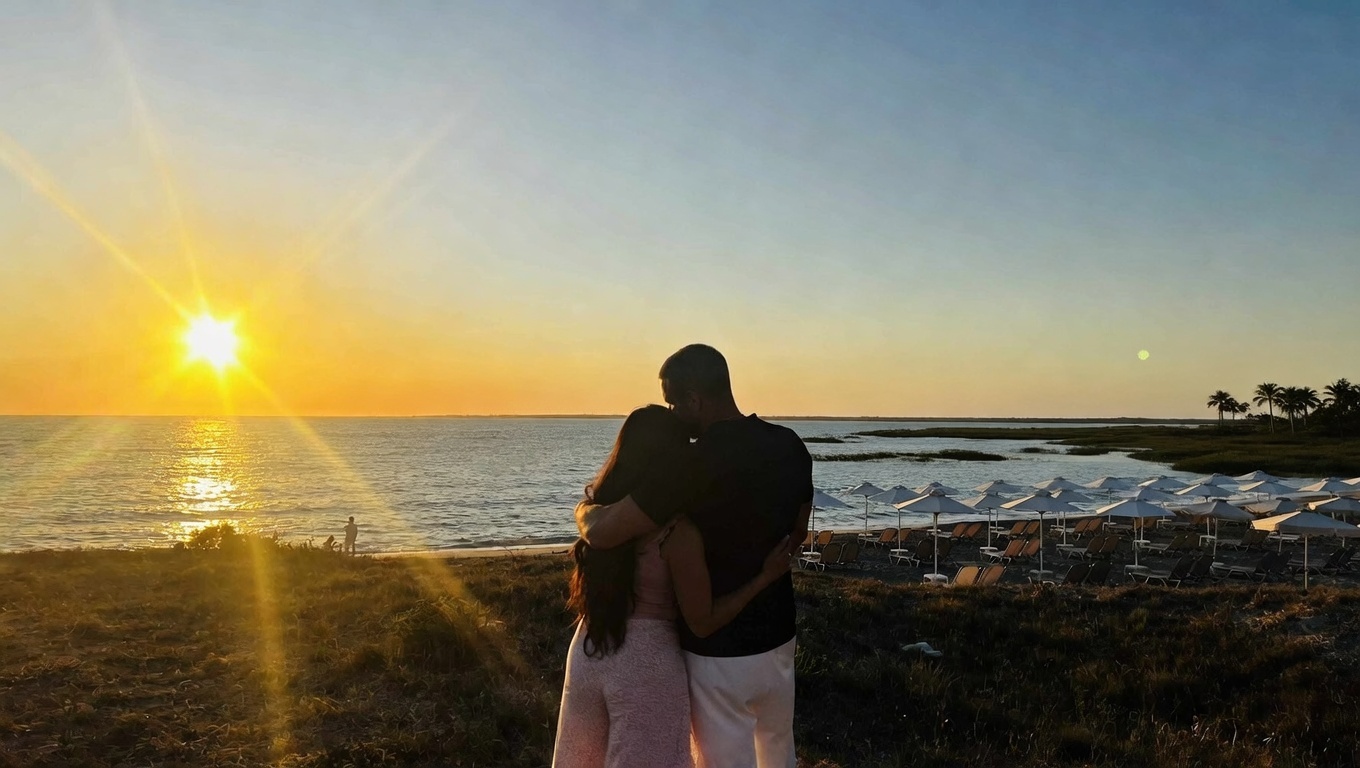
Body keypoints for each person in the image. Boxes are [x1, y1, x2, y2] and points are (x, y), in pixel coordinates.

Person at [576, 344, 813, 768]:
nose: (671, 413)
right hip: (778, 634)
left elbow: (604, 533)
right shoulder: (789, 444)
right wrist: (765, 571)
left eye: (672, 402)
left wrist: (584, 509)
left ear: (694, 400)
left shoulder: (689, 466)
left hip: (717, 648)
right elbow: (798, 531)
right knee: (779, 753)